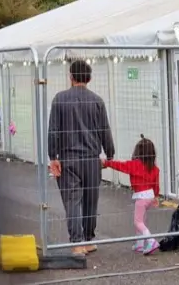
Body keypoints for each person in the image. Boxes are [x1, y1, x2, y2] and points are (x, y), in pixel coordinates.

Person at [48, 60, 115, 256]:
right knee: (90, 200)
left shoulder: (59, 99)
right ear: (90, 78)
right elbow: (105, 130)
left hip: (68, 158)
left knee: (72, 201)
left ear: (71, 77)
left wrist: (53, 156)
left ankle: (77, 242)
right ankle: (88, 239)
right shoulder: (97, 101)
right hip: (92, 159)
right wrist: (109, 154)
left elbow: (54, 130)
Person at [102, 134, 160, 255]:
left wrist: (107, 163)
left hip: (141, 197)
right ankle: (139, 244)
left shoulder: (135, 165)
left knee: (137, 222)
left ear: (138, 151)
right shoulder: (154, 168)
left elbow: (120, 166)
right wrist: (156, 196)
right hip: (150, 196)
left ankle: (151, 240)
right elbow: (156, 184)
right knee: (142, 220)